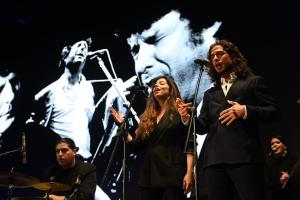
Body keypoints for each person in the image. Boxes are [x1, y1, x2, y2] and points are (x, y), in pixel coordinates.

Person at [177, 39, 280, 200]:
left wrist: (245, 110)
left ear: (233, 57)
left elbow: (273, 112)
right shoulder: (210, 94)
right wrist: (187, 118)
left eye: (220, 54)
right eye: (212, 57)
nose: (216, 59)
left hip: (245, 158)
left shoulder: (252, 82)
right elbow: (202, 126)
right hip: (215, 161)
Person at [110, 75, 195, 200]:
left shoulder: (180, 113)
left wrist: (189, 172)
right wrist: (123, 128)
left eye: (161, 83)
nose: (156, 86)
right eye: (154, 85)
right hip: (149, 174)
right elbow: (136, 146)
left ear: (171, 89)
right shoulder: (149, 117)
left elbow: (190, 143)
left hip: (172, 173)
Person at [265, 135, 299, 200]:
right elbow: (268, 184)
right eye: (272, 144)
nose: (274, 145)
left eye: (277, 142)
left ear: (284, 146)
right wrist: (280, 181)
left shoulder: (294, 160)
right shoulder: (270, 163)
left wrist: (290, 178)